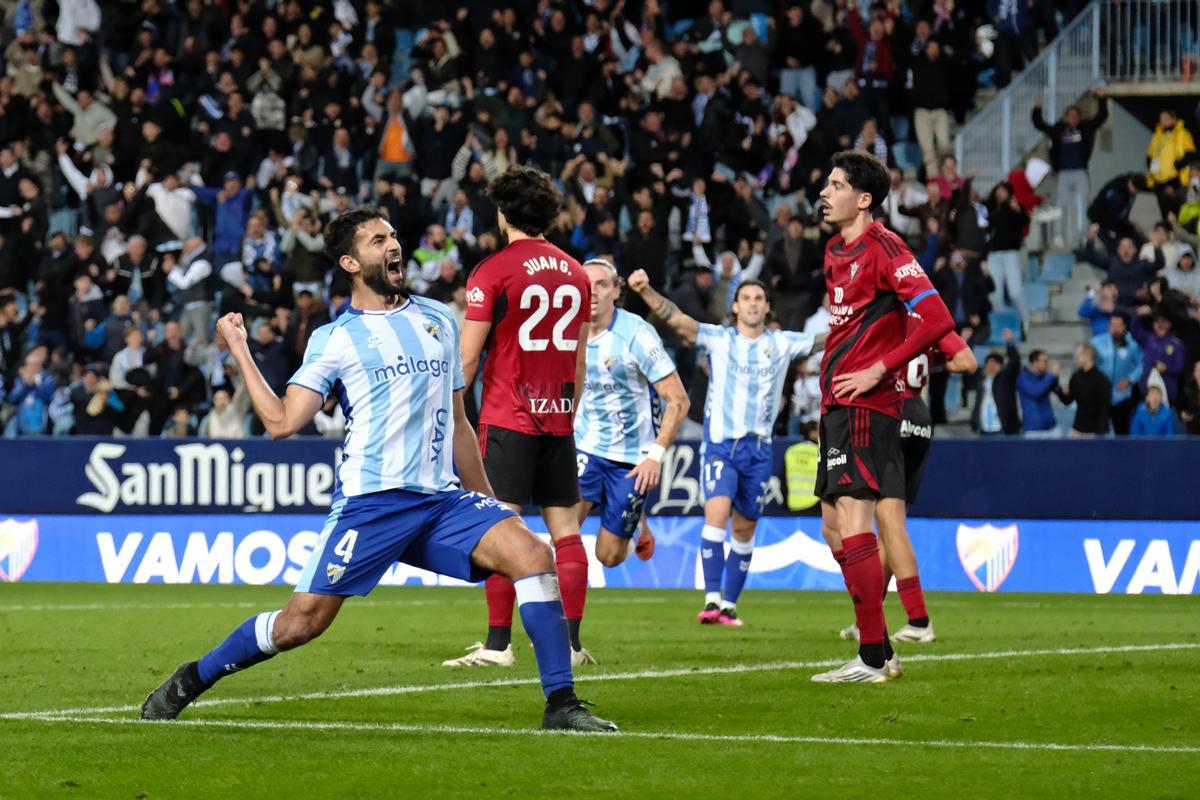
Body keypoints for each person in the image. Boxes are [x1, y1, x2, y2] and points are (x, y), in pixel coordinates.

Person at [140, 207, 615, 733]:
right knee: (300, 624)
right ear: (349, 261)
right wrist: (239, 349)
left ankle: (561, 705)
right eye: (375, 240)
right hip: (371, 507)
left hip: (441, 502)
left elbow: (460, 425)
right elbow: (280, 422)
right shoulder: (335, 338)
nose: (393, 246)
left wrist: (494, 504)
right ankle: (194, 677)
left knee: (533, 554)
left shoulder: (437, 318)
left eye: (393, 236)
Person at [812, 150, 955, 683]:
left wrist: (879, 368)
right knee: (834, 526)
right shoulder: (833, 251)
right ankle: (877, 643)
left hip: (869, 405)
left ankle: (874, 654)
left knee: (856, 518)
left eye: (836, 184)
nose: (825, 193)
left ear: (864, 198)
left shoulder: (886, 247)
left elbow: (937, 317)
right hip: (836, 404)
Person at [443, 166, 594, 669]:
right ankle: (570, 644)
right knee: (566, 531)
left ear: (503, 212)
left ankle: (498, 646)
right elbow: (578, 357)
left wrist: (448, 410)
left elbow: (467, 358)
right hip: (559, 416)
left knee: (499, 529)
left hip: (509, 414)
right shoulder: (576, 271)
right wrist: (566, 410)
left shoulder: (493, 270)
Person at [626, 277, 823, 626]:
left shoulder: (782, 344)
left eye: (758, 298)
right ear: (735, 306)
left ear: (766, 307)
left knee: (745, 529)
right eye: (745, 297)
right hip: (721, 446)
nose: (751, 304)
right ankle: (712, 600)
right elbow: (677, 320)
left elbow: (822, 340)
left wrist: (859, 319)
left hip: (760, 450)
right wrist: (645, 292)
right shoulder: (719, 339)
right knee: (716, 517)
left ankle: (730, 605)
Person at [839, 322, 977, 645]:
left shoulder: (887, 320)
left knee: (889, 522)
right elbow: (967, 362)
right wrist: (931, 360)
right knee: (889, 528)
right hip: (920, 417)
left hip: (892, 411)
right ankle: (871, 619)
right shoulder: (927, 322)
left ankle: (918, 619)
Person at [573, 258, 689, 591]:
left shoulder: (636, 334)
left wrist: (655, 456)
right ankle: (558, 635)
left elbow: (679, 400)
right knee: (563, 532)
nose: (592, 292)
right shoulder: (568, 329)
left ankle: (637, 523)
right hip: (584, 447)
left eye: (602, 285)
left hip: (631, 457)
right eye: (586, 284)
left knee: (608, 556)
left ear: (616, 291)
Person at [1031, 89, 1108, 248]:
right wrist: (1037, 110)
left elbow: (1101, 118)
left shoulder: (1085, 128)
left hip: (1080, 171)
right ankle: (1058, 236)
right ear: (1066, 117)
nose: (1073, 119)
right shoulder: (1059, 130)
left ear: (1079, 117)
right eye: (1070, 116)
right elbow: (1040, 125)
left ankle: (1083, 235)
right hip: (1064, 173)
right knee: (1062, 204)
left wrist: (1101, 99)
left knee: (1083, 203)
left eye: (1076, 116)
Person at [1093, 313, 1144, 435]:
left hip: (1122, 396)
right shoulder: (1097, 342)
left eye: (1118, 325)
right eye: (1112, 325)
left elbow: (1141, 364)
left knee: (1122, 431)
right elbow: (1090, 362)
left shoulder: (1132, 344)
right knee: (1100, 432)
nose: (1115, 328)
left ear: (1125, 327)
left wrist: (1130, 379)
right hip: (1101, 396)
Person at [1054, 343, 1112, 437]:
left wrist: (1100, 433)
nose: (1076, 358)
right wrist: (1056, 384)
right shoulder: (1076, 377)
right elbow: (1067, 400)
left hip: (1095, 431)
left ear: (1087, 355)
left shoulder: (1102, 380)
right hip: (1077, 428)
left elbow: (1104, 408)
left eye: (1078, 355)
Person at [971, 331, 1022, 435]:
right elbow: (968, 364)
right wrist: (966, 342)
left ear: (1002, 367)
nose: (991, 367)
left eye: (995, 364)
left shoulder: (1005, 379)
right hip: (983, 429)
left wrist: (1010, 343)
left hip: (1003, 429)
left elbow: (1015, 361)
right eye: (989, 364)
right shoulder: (981, 379)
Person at [1016, 350, 1060, 438]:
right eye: (1045, 361)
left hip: (1051, 427)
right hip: (1034, 430)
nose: (1047, 364)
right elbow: (1036, 392)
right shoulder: (1023, 378)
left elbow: (1055, 389)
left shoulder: (1044, 377)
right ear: (1035, 363)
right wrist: (1051, 375)